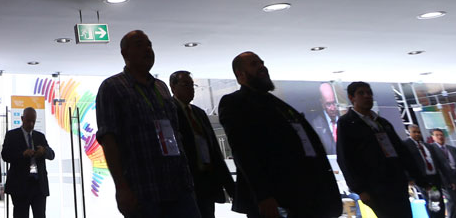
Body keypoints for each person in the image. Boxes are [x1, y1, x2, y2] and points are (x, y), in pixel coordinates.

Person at [217, 51, 341, 218]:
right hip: (276, 198)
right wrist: (263, 195)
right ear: (240, 74)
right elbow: (243, 151)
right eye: (254, 64)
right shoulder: (235, 102)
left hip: (306, 193)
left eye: (262, 63)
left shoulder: (278, 104)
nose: (262, 67)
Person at [96, 30, 200, 218]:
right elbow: (108, 139)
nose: (147, 49)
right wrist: (121, 187)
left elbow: (175, 133)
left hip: (178, 186)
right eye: (139, 45)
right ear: (125, 54)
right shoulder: (112, 87)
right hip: (143, 189)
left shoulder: (161, 87)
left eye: (149, 45)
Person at [335, 82, 419, 218]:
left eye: (369, 93)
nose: (367, 96)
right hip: (375, 186)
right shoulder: (347, 123)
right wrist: (360, 189)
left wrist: (413, 175)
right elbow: (345, 158)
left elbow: (400, 150)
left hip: (397, 181)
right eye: (361, 93)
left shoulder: (382, 122)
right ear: (351, 97)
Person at [169, 70, 236, 218]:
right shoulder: (169, 111)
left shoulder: (199, 113)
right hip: (186, 183)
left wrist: (230, 187)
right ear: (173, 87)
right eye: (185, 84)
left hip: (206, 182)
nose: (191, 89)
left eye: (192, 85)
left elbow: (214, 150)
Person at [2, 107, 57, 218]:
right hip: (20, 185)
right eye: (28, 121)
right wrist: (22, 154)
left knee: (40, 215)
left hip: (38, 185)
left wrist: (44, 151)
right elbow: (5, 155)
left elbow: (52, 155)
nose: (31, 124)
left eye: (33, 121)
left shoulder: (40, 136)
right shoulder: (12, 135)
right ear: (22, 119)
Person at [403, 125, 449, 218]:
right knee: (433, 201)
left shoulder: (427, 145)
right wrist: (410, 178)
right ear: (409, 132)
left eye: (419, 132)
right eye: (414, 132)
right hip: (423, 178)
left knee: (439, 201)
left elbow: (436, 161)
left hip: (434, 177)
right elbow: (406, 163)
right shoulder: (406, 145)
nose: (417, 134)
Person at [430, 128, 456, 218]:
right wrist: (448, 182)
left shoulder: (452, 149)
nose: (440, 137)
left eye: (441, 135)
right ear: (433, 137)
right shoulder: (431, 149)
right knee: (452, 203)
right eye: (437, 135)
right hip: (445, 182)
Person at [309, 83, 341, 156]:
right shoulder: (316, 125)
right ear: (322, 103)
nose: (332, 108)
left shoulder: (345, 120)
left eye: (334, 103)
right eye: (328, 104)